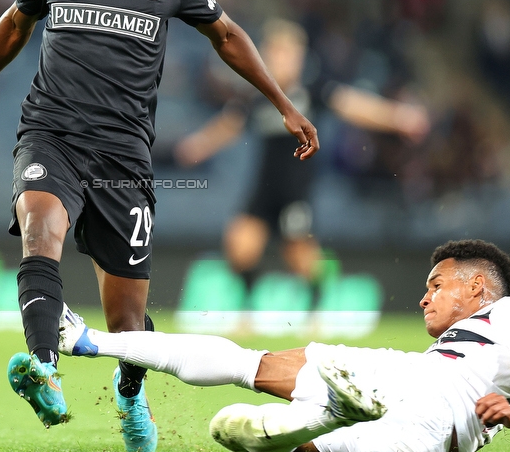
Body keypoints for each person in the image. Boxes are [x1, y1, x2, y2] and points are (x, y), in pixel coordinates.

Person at [0, 0, 319, 452]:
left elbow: (226, 36)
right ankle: (44, 368)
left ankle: (129, 394)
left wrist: (282, 103)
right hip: (52, 136)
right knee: (40, 231)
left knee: (127, 323)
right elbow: (15, 23)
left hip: (124, 160)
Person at [58, 239, 510, 452]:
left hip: (427, 399)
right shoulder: (465, 343)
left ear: (476, 289)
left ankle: (324, 411)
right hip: (429, 442)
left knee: (253, 368)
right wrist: (509, 409)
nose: (424, 296)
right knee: (289, 448)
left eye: (437, 284)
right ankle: (320, 419)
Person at [175, 19, 429, 291]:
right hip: (264, 188)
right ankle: (250, 310)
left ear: (300, 57)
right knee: (239, 247)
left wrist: (397, 117)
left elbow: (354, 105)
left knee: (300, 259)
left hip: (295, 189)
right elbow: (229, 124)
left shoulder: (312, 91)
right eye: (275, 52)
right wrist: (200, 144)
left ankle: (322, 302)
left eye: (288, 53)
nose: (281, 60)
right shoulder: (258, 95)